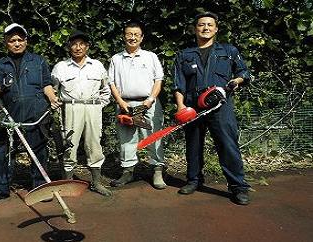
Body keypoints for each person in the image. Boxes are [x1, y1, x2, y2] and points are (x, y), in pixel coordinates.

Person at [172, 12, 252, 205]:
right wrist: (182, 107)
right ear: (195, 29)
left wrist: (236, 81)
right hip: (192, 106)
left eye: (209, 25)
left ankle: (238, 187)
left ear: (216, 29)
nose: (205, 28)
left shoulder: (228, 51)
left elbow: (244, 72)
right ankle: (194, 180)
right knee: (193, 144)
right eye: (201, 25)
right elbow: (178, 84)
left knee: (227, 144)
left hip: (220, 105)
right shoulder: (184, 54)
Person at [0, 23, 61, 204]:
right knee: (1, 151)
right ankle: (0, 189)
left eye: (19, 39)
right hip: (10, 115)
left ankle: (39, 186)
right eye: (12, 40)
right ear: (6, 43)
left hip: (36, 113)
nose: (16, 43)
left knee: (38, 150)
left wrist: (52, 98)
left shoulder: (38, 61)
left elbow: (46, 85)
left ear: (26, 41)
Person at [51, 30, 112, 196]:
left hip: (93, 108)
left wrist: (98, 107)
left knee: (94, 145)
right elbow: (53, 91)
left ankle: (97, 183)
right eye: (74, 44)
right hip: (71, 108)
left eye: (82, 44)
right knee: (69, 145)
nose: (78, 47)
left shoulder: (97, 65)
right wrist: (58, 106)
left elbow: (106, 90)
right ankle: (68, 183)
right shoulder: (60, 67)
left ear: (87, 46)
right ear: (69, 46)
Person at [108, 20, 167, 189]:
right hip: (125, 104)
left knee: (154, 136)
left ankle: (157, 170)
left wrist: (150, 100)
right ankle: (128, 171)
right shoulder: (116, 58)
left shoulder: (150, 56)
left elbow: (158, 80)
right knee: (126, 140)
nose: (132, 38)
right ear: (123, 37)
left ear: (142, 38)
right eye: (129, 34)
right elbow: (111, 82)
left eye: (136, 35)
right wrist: (120, 102)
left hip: (149, 103)